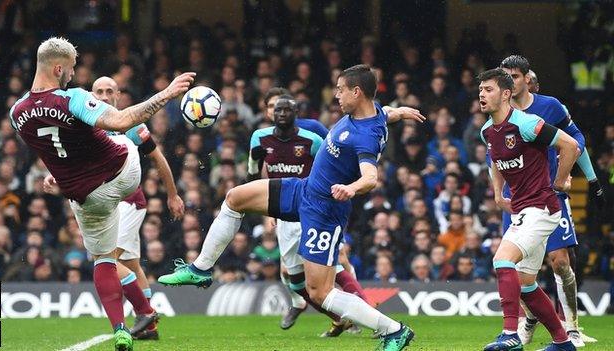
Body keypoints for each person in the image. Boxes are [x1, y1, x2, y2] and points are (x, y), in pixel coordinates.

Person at [158, 64, 425, 351]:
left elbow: (370, 177)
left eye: (340, 89)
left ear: (357, 92)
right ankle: (201, 269)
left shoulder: (365, 136)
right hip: (304, 189)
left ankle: (393, 330)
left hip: (324, 211)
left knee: (319, 292)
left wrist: (352, 188)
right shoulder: (375, 114)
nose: (336, 95)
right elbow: (387, 113)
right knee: (234, 198)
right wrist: (403, 112)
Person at [10, 36, 194, 350]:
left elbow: (56, 149)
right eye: (69, 70)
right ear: (58, 68)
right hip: (122, 176)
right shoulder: (74, 99)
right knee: (124, 135)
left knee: (104, 261)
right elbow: (122, 121)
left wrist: (62, 178)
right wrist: (167, 93)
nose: (71, 76)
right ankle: (146, 315)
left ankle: (121, 328)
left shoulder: (17, 113)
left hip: (85, 197)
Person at [500, 55, 601, 347]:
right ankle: (529, 320)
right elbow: (493, 155)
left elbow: (575, 137)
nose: (510, 81)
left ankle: (572, 328)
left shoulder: (550, 106)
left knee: (559, 262)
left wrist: (566, 167)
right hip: (516, 199)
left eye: (515, 76)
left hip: (549, 195)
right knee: (516, 271)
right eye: (505, 76)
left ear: (526, 79)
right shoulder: (499, 111)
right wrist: (498, 193)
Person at [253, 91, 370, 336]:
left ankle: (363, 313)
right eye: (274, 108)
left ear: (296, 111)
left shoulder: (313, 133)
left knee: (337, 263)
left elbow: (333, 163)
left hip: (314, 207)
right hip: (284, 210)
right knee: (291, 273)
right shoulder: (260, 138)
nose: (280, 112)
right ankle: (331, 314)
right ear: (268, 112)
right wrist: (267, 210)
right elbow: (253, 177)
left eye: (284, 107)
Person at [479, 67, 579, 351]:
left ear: (506, 93)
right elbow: (495, 160)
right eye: (480, 90)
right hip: (521, 209)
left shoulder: (527, 123)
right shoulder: (487, 130)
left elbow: (570, 145)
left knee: (502, 260)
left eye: (488, 90)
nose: (482, 95)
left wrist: (559, 182)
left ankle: (510, 333)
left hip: (542, 207)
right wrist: (499, 195)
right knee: (525, 284)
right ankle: (562, 342)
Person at [92, 75, 185, 339]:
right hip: (107, 204)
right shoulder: (87, 126)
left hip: (128, 203)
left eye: (110, 91)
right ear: (92, 96)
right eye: (99, 91)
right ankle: (150, 328)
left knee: (106, 261)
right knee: (131, 264)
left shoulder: (131, 125)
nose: (104, 95)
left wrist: (172, 195)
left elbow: (158, 158)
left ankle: (145, 312)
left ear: (118, 96)